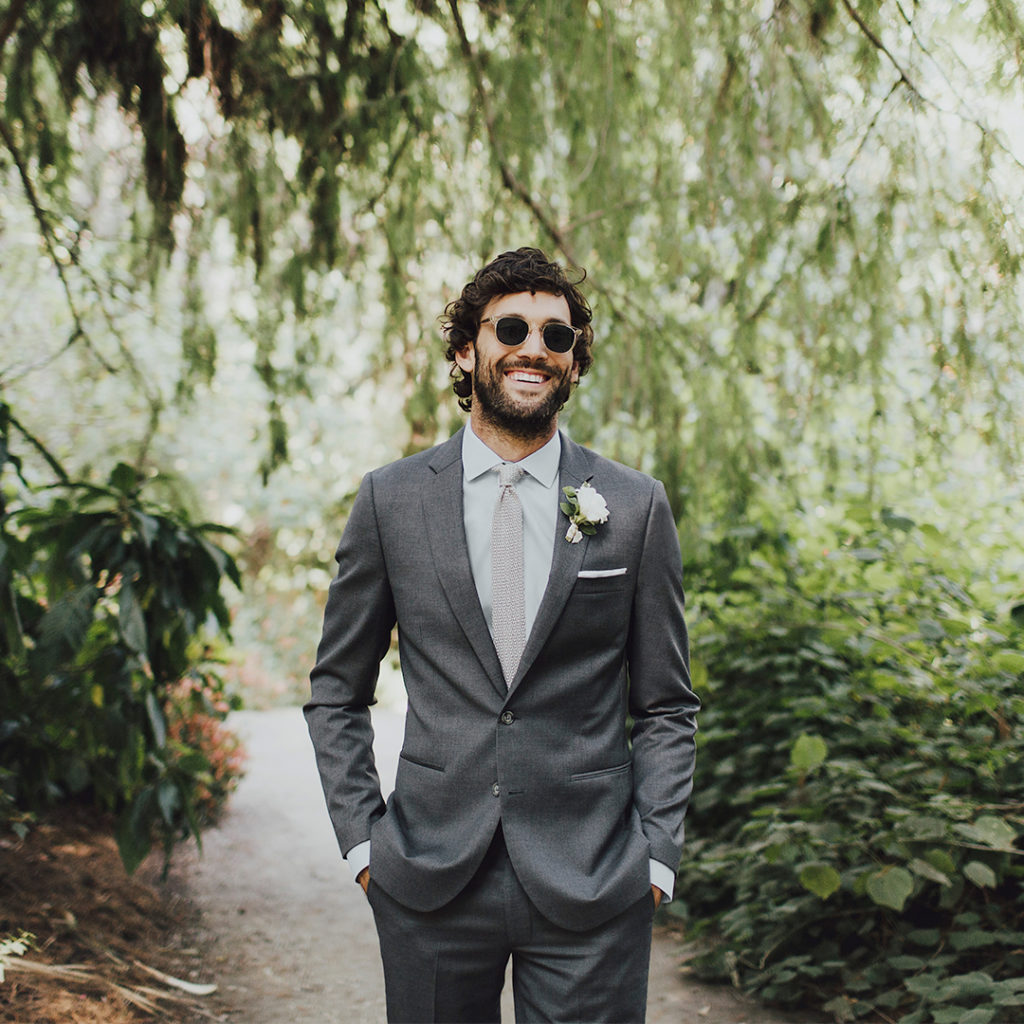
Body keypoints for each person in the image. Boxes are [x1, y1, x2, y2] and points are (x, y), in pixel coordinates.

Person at [305, 246, 699, 1023]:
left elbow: (666, 706)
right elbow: (335, 693)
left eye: (558, 337)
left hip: (594, 878)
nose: (534, 348)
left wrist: (654, 854)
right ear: (465, 350)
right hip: (427, 877)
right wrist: (363, 845)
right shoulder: (390, 502)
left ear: (574, 364)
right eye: (510, 327)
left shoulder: (635, 505)